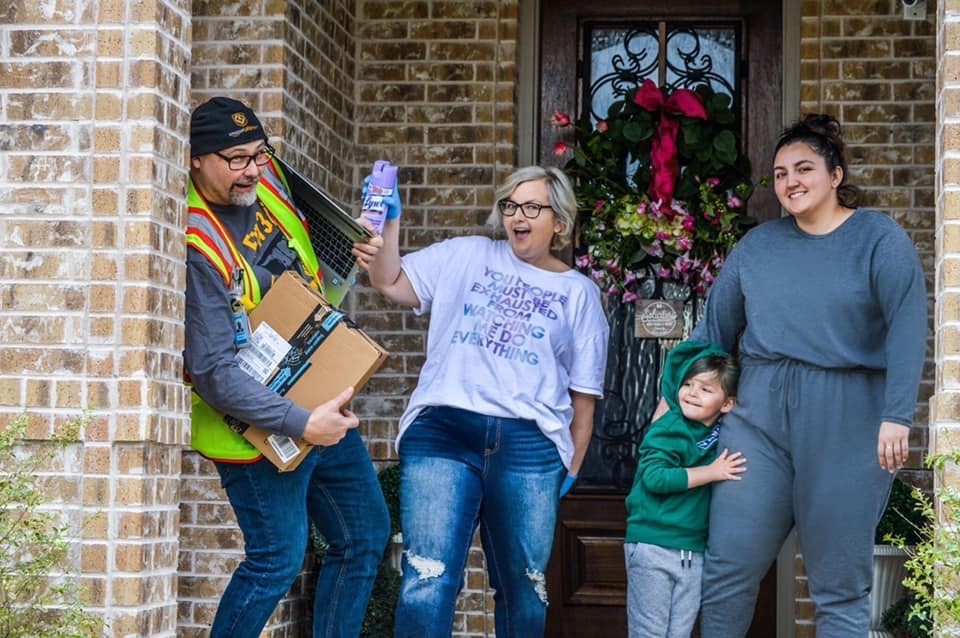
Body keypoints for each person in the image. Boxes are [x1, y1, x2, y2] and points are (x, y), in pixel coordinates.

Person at [685, 113, 928, 637]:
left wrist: (896, 416)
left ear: (835, 174)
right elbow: (714, 331)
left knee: (839, 586)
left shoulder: (878, 239)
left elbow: (908, 328)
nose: (790, 182)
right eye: (779, 173)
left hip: (848, 420)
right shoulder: (758, 246)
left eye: (804, 169)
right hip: (757, 418)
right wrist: (675, 397)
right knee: (728, 571)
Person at [355, 165, 610, 637]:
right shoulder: (467, 255)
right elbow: (390, 281)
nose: (518, 215)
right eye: (511, 205)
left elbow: (584, 398)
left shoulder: (579, 294)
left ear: (559, 221)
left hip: (530, 447)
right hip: (444, 432)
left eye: (533, 207)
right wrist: (388, 223)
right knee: (427, 579)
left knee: (526, 590)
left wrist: (569, 468)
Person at [183, 96, 389, 638]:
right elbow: (212, 371)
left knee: (364, 533)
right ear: (195, 159)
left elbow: (298, 270)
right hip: (257, 431)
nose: (252, 169)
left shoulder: (266, 181)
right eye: (236, 158)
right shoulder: (198, 245)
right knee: (275, 560)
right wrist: (302, 424)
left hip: (317, 402)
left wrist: (351, 252)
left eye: (258, 153)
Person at [624, 341, 745, 638]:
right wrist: (712, 472)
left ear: (727, 404)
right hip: (654, 545)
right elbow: (655, 478)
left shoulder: (722, 430)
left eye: (705, 389)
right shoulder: (668, 428)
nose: (692, 393)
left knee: (679, 633)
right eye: (688, 384)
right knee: (649, 633)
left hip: (693, 551)